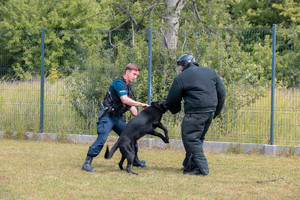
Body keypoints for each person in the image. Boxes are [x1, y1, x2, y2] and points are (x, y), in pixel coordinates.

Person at [82, 63, 149, 172]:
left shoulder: (128, 88)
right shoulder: (118, 84)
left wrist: (141, 117)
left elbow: (131, 106)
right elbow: (125, 100)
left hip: (117, 118)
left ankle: (135, 160)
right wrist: (141, 104)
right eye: (134, 74)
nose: (135, 77)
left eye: (137, 75)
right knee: (102, 139)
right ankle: (87, 163)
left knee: (132, 136)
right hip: (107, 117)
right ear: (127, 72)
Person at [166, 54, 226, 175]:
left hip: (195, 112)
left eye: (179, 66)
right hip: (209, 112)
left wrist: (175, 109)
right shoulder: (211, 72)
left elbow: (172, 99)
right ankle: (190, 165)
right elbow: (222, 92)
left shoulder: (181, 77)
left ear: (183, 65)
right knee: (197, 140)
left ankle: (201, 168)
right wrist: (217, 111)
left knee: (191, 139)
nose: (179, 69)